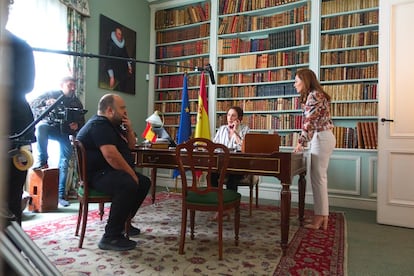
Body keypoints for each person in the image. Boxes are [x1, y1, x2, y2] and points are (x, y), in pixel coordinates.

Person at [76, 93, 151, 251]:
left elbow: (130, 146)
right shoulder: (99, 125)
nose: (125, 111)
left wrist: (129, 128)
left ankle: (123, 222)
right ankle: (111, 236)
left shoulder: (112, 126)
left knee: (144, 182)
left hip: (106, 172)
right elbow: (111, 156)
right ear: (110, 110)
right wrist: (131, 174)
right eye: (122, 108)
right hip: (96, 175)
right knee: (128, 183)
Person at [3, 0, 36, 226]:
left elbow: (26, 84)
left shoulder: (20, 46)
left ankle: (12, 258)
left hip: (15, 129)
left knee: (11, 198)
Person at [30, 76, 85, 207]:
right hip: (50, 127)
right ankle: (43, 160)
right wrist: (46, 102)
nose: (73, 88)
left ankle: (61, 195)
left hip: (64, 132)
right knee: (41, 128)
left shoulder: (76, 102)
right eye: (70, 85)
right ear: (62, 85)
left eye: (74, 85)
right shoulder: (52, 94)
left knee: (65, 161)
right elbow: (33, 103)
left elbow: (82, 121)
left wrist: (77, 125)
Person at [293, 68, 336, 230]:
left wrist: (300, 142)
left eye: (297, 81)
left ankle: (320, 217)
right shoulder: (317, 94)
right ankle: (322, 215)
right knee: (319, 178)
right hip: (322, 137)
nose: (294, 84)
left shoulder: (314, 95)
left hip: (321, 137)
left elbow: (309, 122)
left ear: (305, 81)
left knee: (318, 179)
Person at [211, 106, 250, 220]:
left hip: (238, 165)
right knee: (212, 176)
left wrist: (236, 132)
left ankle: (227, 208)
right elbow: (214, 145)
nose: (230, 118)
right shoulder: (222, 129)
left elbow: (244, 148)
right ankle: (218, 206)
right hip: (222, 165)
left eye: (233, 115)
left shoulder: (245, 129)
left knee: (233, 177)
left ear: (239, 118)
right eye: (228, 115)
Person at [106, 27, 133, 92]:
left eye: (121, 34)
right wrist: (111, 76)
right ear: (115, 34)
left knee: (125, 81)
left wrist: (129, 66)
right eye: (118, 34)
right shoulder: (111, 44)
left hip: (122, 70)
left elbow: (126, 56)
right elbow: (108, 59)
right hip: (113, 69)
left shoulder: (123, 45)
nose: (120, 36)